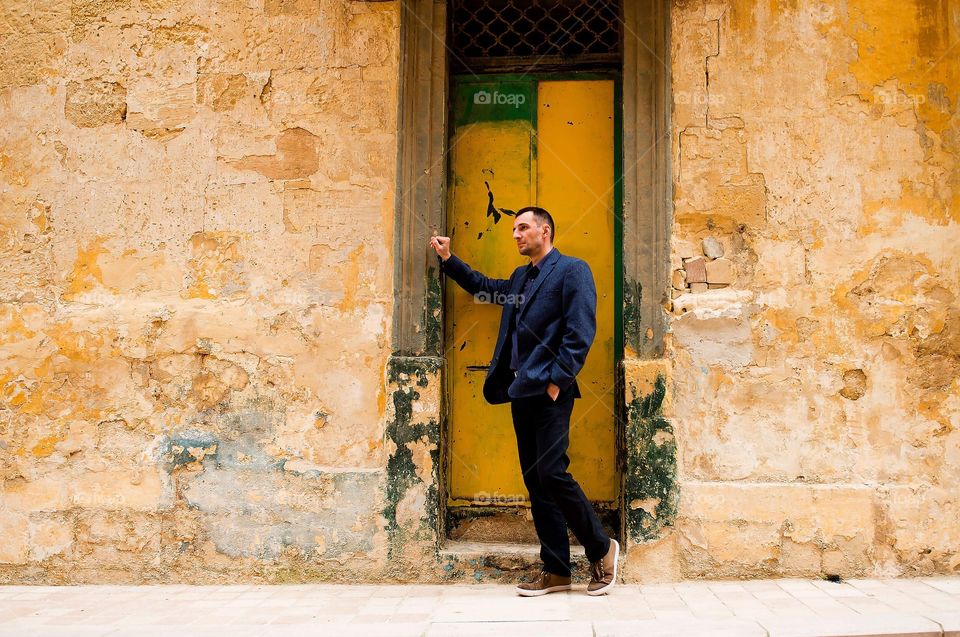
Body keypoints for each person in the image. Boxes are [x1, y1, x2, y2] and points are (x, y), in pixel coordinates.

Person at [429, 206, 619, 596]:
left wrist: (556, 382)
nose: (515, 234)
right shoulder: (520, 277)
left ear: (545, 231)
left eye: (523, 228)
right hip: (520, 391)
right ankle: (557, 569)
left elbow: (580, 330)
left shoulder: (572, 270)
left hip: (550, 391)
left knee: (552, 473)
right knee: (536, 482)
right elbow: (487, 286)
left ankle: (602, 548)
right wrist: (449, 259)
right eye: (514, 229)